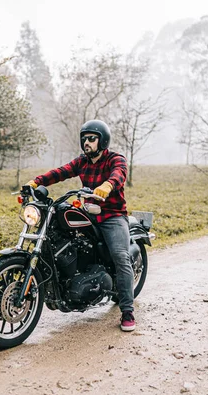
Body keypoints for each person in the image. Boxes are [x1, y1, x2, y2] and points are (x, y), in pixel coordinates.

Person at [25, 120, 136, 332]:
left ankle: (128, 310)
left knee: (121, 257)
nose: (87, 142)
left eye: (91, 138)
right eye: (84, 138)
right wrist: (37, 182)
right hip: (89, 213)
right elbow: (61, 172)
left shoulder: (115, 159)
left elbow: (119, 174)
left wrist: (107, 185)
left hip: (112, 215)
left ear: (102, 140)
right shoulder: (82, 162)